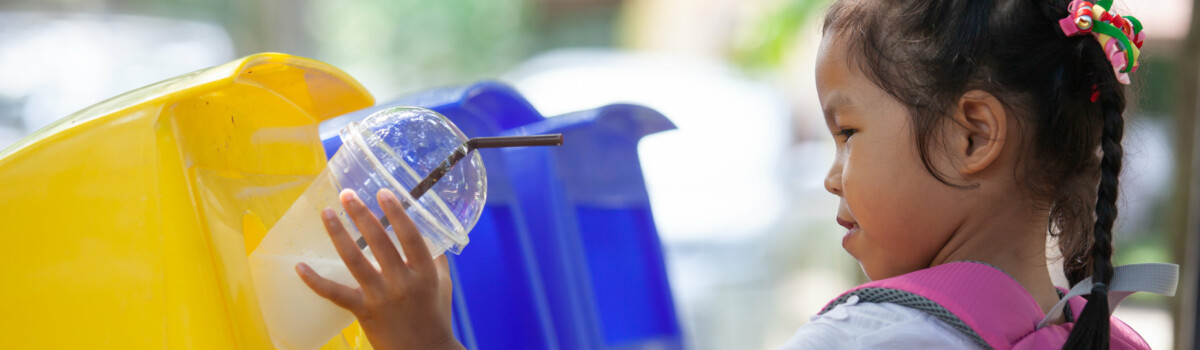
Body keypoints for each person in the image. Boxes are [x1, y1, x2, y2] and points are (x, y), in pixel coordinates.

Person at [296, 0, 1173, 349]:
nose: (831, 178)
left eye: (848, 131)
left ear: (973, 133)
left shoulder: (878, 341)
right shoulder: (1108, 340)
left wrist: (421, 337)